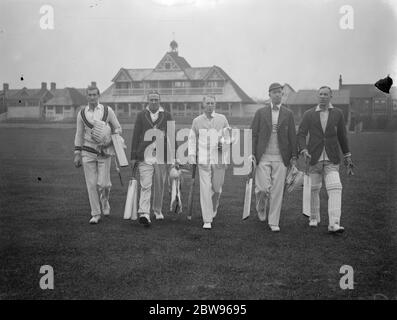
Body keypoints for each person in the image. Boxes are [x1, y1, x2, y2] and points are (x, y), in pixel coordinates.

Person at [297, 86, 354, 233]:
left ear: (331, 97)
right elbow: (301, 134)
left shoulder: (338, 114)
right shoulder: (309, 114)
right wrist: (303, 149)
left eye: (326, 94)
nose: (323, 96)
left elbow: (342, 136)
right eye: (320, 94)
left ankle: (334, 223)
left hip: (332, 158)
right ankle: (314, 218)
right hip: (313, 158)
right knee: (314, 189)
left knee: (336, 187)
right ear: (318, 96)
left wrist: (347, 155)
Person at [250, 83, 297, 232]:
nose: (277, 95)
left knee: (277, 191)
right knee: (262, 188)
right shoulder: (260, 112)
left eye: (280, 93)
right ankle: (261, 206)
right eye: (274, 92)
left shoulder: (288, 114)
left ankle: (274, 221)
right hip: (262, 156)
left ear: (282, 95)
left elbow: (292, 136)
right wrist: (252, 154)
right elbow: (253, 134)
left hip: (281, 157)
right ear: (269, 94)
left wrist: (294, 156)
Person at [74, 85, 122, 224]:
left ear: (98, 95)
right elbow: (79, 133)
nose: (92, 97)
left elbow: (118, 127)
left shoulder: (108, 111)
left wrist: (111, 137)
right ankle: (95, 213)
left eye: (94, 94)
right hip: (87, 152)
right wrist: (77, 153)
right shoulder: (82, 113)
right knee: (91, 184)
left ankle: (105, 200)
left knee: (104, 184)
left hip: (104, 152)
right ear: (87, 96)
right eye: (90, 95)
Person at [130, 91, 173, 227]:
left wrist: (174, 157)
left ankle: (157, 210)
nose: (154, 102)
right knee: (146, 184)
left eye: (156, 100)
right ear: (147, 101)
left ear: (160, 101)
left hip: (162, 155)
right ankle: (144, 214)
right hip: (144, 155)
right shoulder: (141, 115)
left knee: (159, 185)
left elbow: (172, 136)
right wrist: (133, 156)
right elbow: (136, 135)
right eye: (151, 100)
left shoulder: (167, 115)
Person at [188, 95, 230, 230]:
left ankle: (213, 207)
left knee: (217, 189)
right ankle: (207, 219)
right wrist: (192, 156)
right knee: (205, 189)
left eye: (212, 103)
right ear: (203, 105)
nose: (210, 105)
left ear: (215, 105)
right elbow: (192, 139)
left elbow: (228, 137)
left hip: (219, 159)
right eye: (208, 103)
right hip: (203, 160)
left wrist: (222, 143)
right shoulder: (197, 121)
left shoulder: (222, 119)